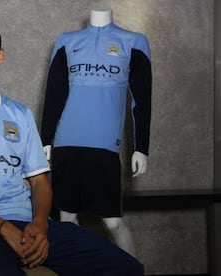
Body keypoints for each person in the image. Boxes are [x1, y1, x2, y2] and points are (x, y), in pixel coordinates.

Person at [0, 15, 144, 275]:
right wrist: (4, 229)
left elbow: (40, 182)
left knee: (127, 268)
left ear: (0, 56)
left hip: (29, 223)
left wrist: (40, 224)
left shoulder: (20, 114)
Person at [41, 10, 152, 257]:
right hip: (66, 143)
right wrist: (46, 139)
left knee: (113, 222)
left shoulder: (133, 42)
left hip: (104, 145)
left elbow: (142, 101)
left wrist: (140, 147)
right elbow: (55, 94)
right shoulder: (67, 41)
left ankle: (133, 272)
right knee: (67, 220)